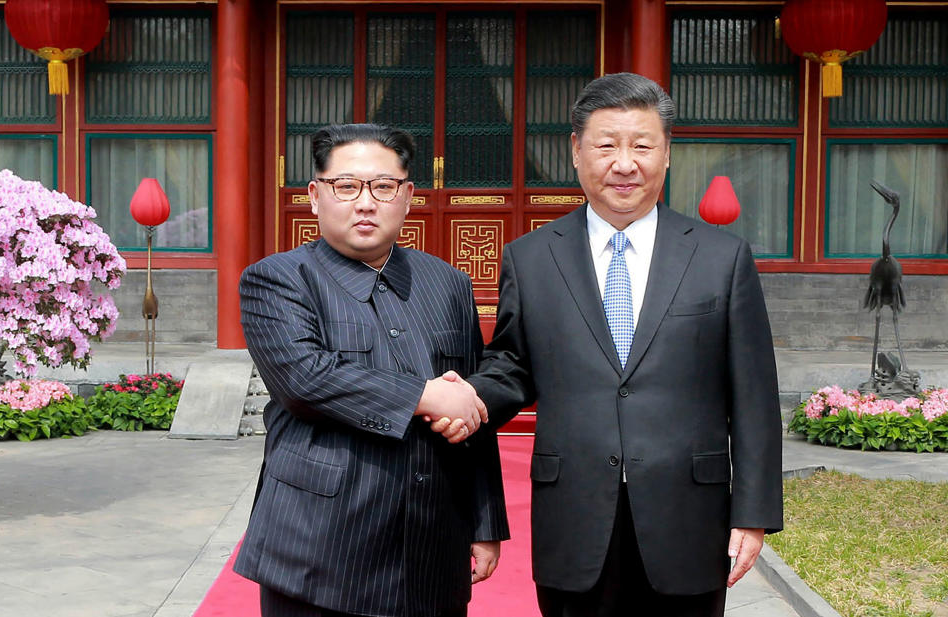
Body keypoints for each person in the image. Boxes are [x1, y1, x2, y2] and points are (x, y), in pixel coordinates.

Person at [440, 72, 783, 617]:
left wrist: (754, 512)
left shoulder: (722, 258)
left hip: (689, 515)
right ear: (576, 152)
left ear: (667, 153)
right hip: (574, 514)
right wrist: (470, 398)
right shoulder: (530, 259)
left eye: (642, 146)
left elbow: (755, 397)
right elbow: (511, 364)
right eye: (606, 145)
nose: (625, 163)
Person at [234, 123, 510, 617]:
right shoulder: (276, 280)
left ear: (407, 197)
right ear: (315, 196)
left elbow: (471, 411)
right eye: (347, 186)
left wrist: (485, 524)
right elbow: (306, 379)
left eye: (383, 187)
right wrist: (426, 397)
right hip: (318, 548)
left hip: (432, 546)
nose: (366, 203)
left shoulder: (447, 283)